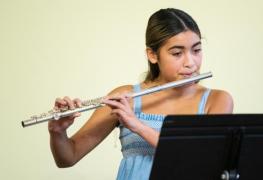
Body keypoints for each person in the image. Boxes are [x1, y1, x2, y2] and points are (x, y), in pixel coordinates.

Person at [48, 8, 233, 180]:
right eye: (177, 53)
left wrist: (138, 126)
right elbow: (67, 158)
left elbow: (202, 160)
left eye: (197, 50)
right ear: (152, 55)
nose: (191, 63)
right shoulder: (125, 96)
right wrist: (58, 132)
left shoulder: (217, 100)